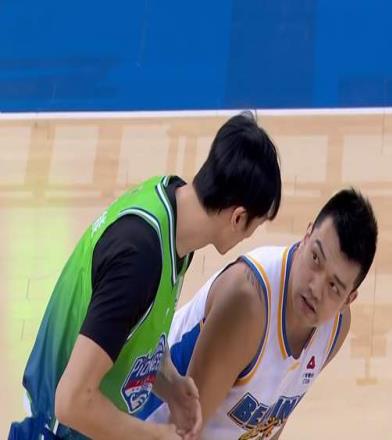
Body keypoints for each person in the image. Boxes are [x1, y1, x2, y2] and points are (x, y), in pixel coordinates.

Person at [9, 112, 282, 440]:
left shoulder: (173, 211)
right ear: (238, 218)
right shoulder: (140, 259)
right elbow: (71, 401)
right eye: (254, 226)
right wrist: (154, 436)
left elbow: (131, 327)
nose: (250, 236)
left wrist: (170, 383)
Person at [142, 188, 377, 440]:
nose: (315, 288)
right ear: (306, 236)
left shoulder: (335, 329)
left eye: (334, 287)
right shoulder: (248, 303)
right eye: (316, 259)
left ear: (348, 299)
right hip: (144, 420)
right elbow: (183, 430)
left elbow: (271, 424)